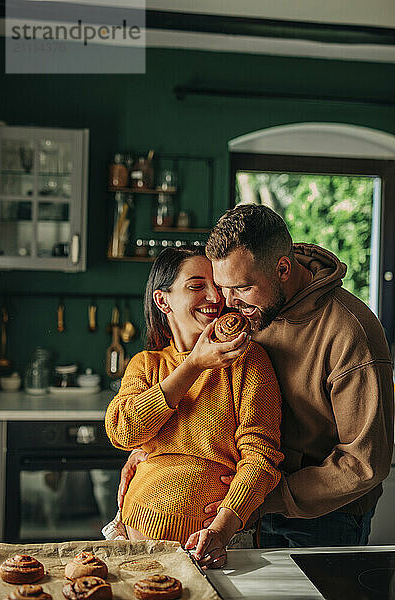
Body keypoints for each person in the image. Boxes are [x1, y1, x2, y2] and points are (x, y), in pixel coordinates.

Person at [119, 205, 394, 549]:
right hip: (242, 509)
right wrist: (153, 452)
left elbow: (365, 463)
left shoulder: (351, 333)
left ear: (282, 269)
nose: (226, 303)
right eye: (223, 287)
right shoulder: (246, 307)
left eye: (241, 288)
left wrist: (261, 498)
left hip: (322, 518)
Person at [105, 246, 283, 567]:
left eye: (216, 285)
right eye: (197, 285)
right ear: (164, 300)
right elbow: (122, 430)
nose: (215, 297)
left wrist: (221, 528)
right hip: (134, 542)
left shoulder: (247, 360)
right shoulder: (147, 364)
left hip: (216, 543)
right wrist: (193, 366)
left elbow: (261, 457)